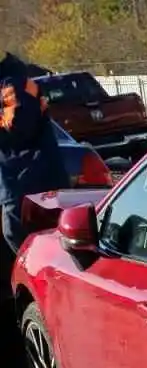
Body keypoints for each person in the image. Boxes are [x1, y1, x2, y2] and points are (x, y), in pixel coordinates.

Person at [0, 50, 69, 260]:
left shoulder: (12, 85)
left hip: (29, 180)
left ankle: (36, 279)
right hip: (24, 178)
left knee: (18, 234)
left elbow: (20, 126)